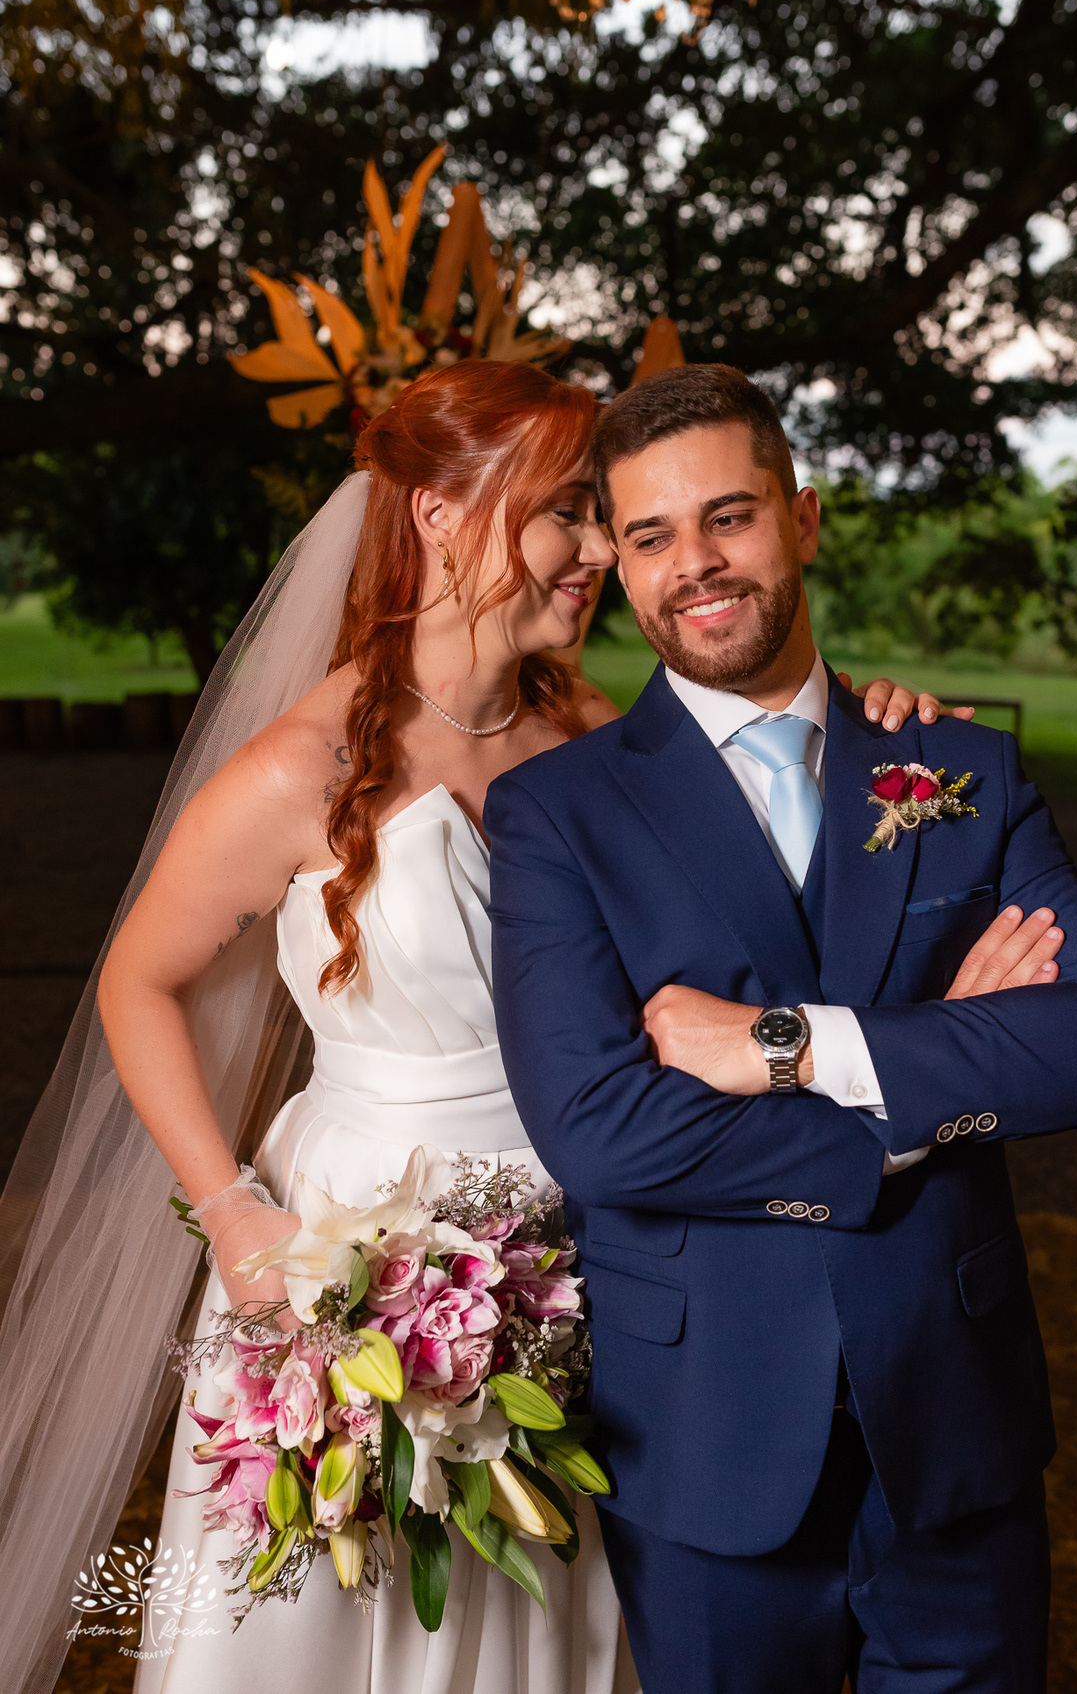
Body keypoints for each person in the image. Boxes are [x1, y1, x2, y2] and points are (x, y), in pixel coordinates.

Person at [0, 357, 971, 1694]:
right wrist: (233, 1214)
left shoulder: (591, 735)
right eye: (562, 511)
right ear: (441, 516)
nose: (592, 551)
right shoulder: (302, 765)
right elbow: (134, 981)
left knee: (556, 1611)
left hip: (586, 1244)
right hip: (352, 1245)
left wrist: (876, 731)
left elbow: (766, 811)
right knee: (336, 1623)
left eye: (593, 515)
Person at [483, 364, 1077, 1694]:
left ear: (803, 517)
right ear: (620, 567)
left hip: (955, 1424)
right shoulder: (555, 815)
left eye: (728, 516)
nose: (697, 564)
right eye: (652, 535)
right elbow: (602, 1132)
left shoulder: (960, 773)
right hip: (703, 1444)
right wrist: (923, 1075)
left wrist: (790, 1045)